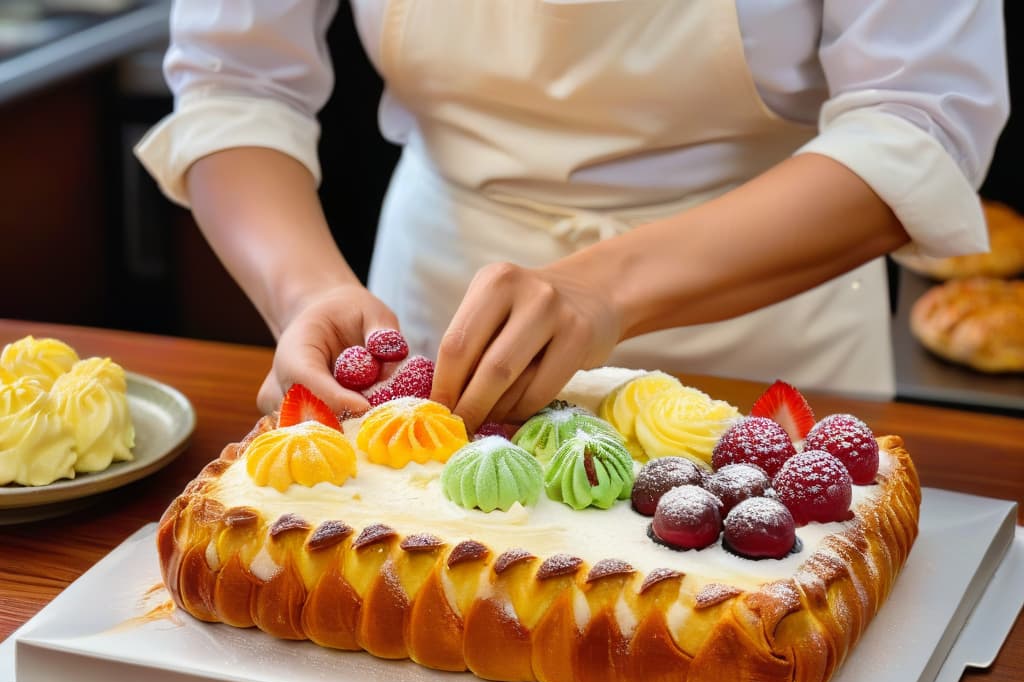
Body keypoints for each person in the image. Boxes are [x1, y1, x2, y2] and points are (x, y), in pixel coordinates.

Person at [136, 1, 1009, 432]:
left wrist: (600, 292)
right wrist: (307, 295)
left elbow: (919, 119)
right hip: (436, 324)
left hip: (764, 338)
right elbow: (234, 79)